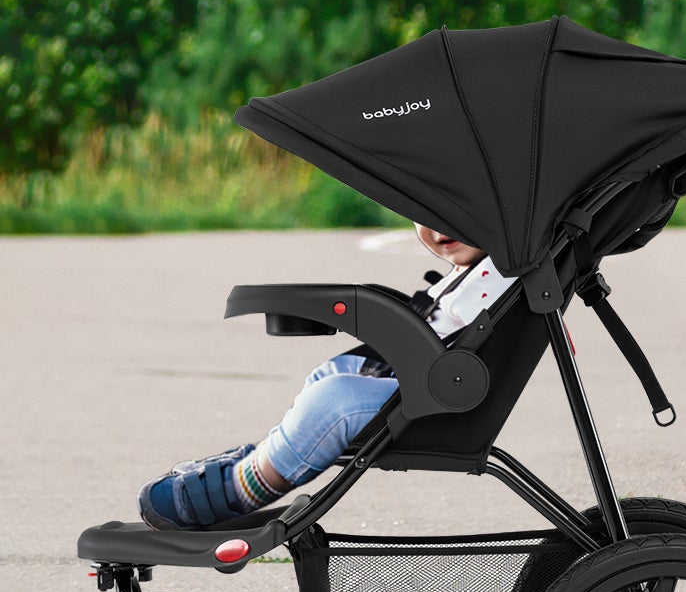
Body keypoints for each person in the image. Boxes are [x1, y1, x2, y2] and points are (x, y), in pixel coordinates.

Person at [139, 225, 516, 530]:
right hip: (433, 383)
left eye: (448, 213)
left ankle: (244, 486)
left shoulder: (503, 270)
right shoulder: (474, 272)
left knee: (337, 398)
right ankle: (263, 457)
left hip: (445, 403)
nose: (434, 227)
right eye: (422, 215)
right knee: (331, 374)